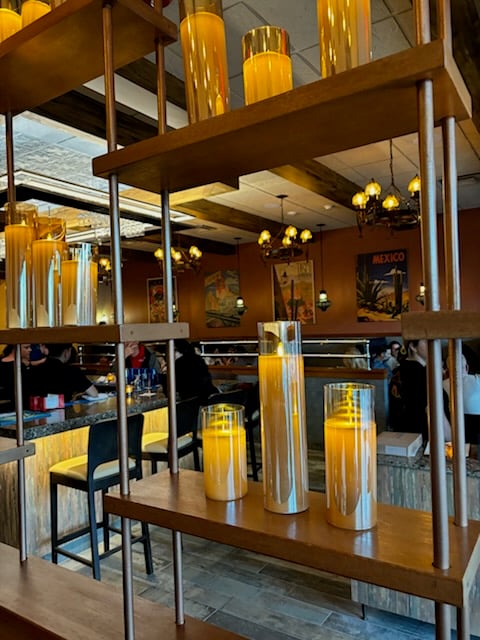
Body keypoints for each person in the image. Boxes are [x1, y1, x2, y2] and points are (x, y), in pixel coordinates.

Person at [390, 339, 451, 442]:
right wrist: (451, 439)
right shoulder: (422, 375)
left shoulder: (398, 371)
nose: (434, 345)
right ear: (413, 347)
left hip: (404, 440)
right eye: (427, 341)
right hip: (426, 440)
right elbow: (436, 413)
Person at [29, 343, 98, 402]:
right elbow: (94, 393)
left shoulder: (33, 370)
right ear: (66, 352)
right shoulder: (72, 371)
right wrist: (79, 395)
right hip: (64, 411)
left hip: (37, 411)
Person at [0, 344, 33, 410]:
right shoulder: (19, 367)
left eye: (30, 347)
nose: (30, 350)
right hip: (16, 406)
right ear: (15, 349)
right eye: (26, 347)